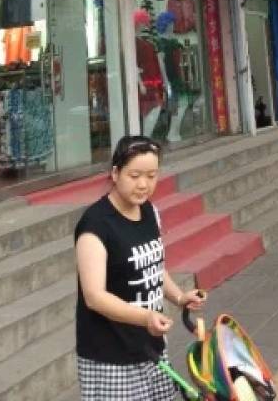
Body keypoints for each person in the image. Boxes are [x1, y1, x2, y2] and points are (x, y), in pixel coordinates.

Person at [74, 135, 206, 400]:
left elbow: (153, 267)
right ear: (115, 173)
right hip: (112, 359)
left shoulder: (148, 212)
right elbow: (94, 297)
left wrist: (179, 297)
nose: (144, 184)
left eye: (151, 175)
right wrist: (145, 318)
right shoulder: (95, 225)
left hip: (151, 348)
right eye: (134, 176)